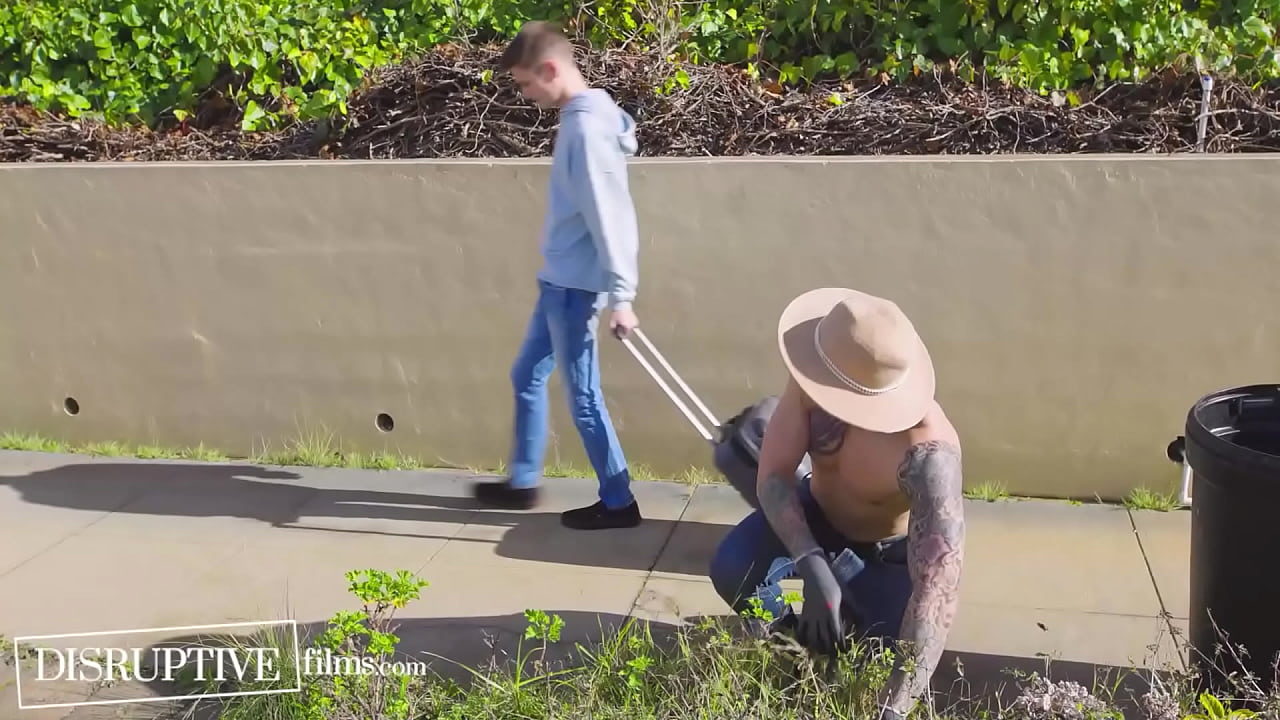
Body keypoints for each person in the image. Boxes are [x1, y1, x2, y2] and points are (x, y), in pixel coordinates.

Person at [708, 287, 965, 720]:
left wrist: (894, 710)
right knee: (734, 565)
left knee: (877, 647)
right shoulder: (821, 374)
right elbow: (773, 476)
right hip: (817, 518)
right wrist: (810, 564)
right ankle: (798, 648)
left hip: (883, 558)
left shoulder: (928, 456)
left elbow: (937, 593)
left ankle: (839, 647)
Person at [471, 21, 644, 532]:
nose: (524, 95)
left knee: (583, 398)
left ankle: (619, 502)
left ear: (550, 69)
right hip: (558, 282)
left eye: (525, 83)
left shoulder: (589, 130)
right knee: (526, 375)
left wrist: (623, 297)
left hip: (574, 291)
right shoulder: (585, 116)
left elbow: (612, 216)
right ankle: (522, 483)